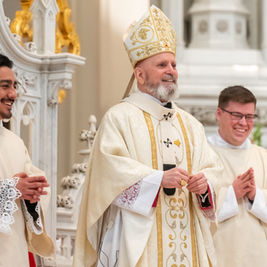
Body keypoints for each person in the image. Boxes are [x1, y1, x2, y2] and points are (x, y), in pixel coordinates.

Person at [73, 5, 221, 267]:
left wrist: (204, 186)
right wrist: (157, 180)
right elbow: (107, 180)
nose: (171, 70)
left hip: (190, 243)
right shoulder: (119, 118)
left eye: (174, 64)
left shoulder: (191, 125)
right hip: (140, 242)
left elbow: (213, 172)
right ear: (139, 75)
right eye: (162, 64)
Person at [0, 54, 54, 266]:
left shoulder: (15, 143)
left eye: (14, 86)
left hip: (13, 254)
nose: (13, 94)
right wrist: (11, 189)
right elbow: (13, 188)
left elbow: (33, 198)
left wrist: (32, 197)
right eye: (5, 86)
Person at [208, 85, 267, 267]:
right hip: (217, 256)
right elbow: (191, 208)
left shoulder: (263, 156)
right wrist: (232, 194)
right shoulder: (203, 154)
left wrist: (255, 195)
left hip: (258, 256)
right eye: (236, 115)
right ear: (219, 113)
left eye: (249, 117)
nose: (243, 123)